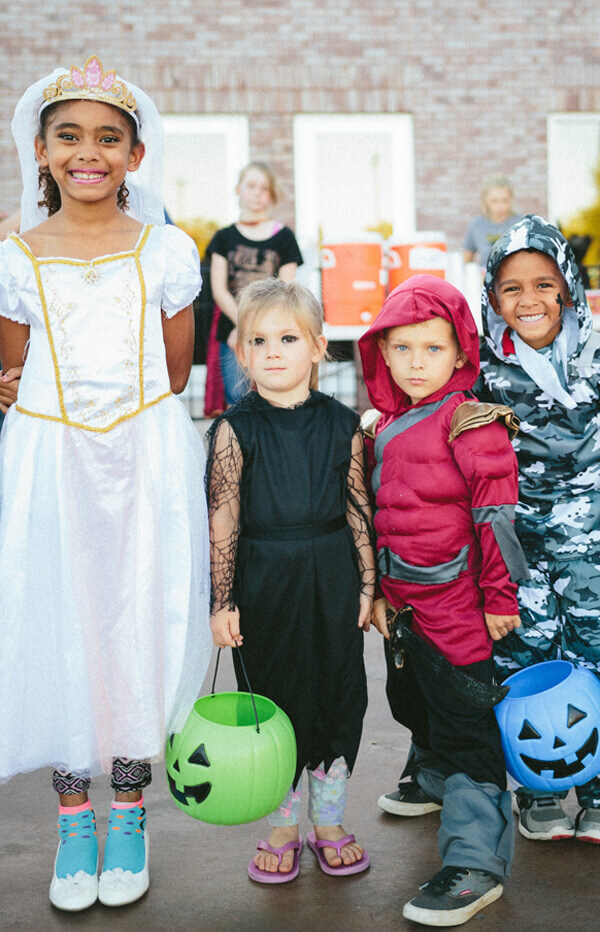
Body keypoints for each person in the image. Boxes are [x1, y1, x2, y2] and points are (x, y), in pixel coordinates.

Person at [0, 56, 211, 911]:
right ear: (42, 152)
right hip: (49, 461)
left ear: (134, 156)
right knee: (62, 622)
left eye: (108, 139)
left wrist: (131, 436)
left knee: (135, 620)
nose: (88, 152)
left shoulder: (164, 249)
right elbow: (14, 365)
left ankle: (129, 811)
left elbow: (174, 367)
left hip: (143, 460)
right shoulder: (15, 259)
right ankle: (74, 818)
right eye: (70, 136)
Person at [358, 275, 528, 927]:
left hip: (461, 608)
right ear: (383, 354)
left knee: (464, 726)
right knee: (415, 700)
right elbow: (386, 517)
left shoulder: (471, 422)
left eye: (432, 349)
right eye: (402, 349)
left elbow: (496, 520)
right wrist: (380, 596)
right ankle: (431, 779)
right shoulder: (390, 423)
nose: (416, 363)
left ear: (460, 353)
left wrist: (498, 596)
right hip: (407, 611)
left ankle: (475, 861)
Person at [206, 278, 374, 883]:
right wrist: (222, 600)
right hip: (264, 579)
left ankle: (328, 821)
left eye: (288, 337)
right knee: (271, 696)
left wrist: (368, 584)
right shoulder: (234, 429)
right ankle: (282, 823)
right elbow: (223, 519)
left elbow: (359, 504)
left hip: (331, 574)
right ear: (242, 353)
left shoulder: (343, 423)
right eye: (259, 340)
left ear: (318, 347)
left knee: (337, 689)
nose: (274, 351)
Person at [477, 214, 600, 844]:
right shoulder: (481, 366)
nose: (530, 300)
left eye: (544, 284)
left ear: (569, 287)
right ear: (492, 299)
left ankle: (599, 791)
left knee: (595, 651)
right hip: (515, 546)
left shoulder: (596, 355)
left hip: (592, 546)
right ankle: (540, 790)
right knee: (527, 655)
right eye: (512, 288)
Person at [207, 161, 303, 407]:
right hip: (233, 332)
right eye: (251, 186)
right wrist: (243, 326)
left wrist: (254, 330)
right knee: (238, 401)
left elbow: (285, 290)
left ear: (271, 195)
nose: (257, 193)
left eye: (264, 188)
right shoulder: (223, 238)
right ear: (238, 190)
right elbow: (219, 289)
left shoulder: (284, 238)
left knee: (274, 398)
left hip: (273, 333)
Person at [463, 174, 521, 267]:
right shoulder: (476, 225)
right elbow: (466, 260)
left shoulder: (521, 224)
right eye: (494, 201)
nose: (500, 205)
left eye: (504, 200)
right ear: (486, 200)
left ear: (511, 199)